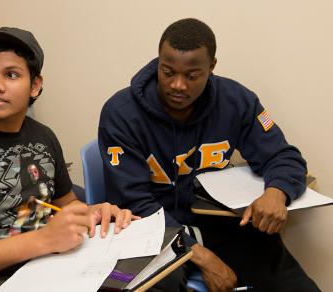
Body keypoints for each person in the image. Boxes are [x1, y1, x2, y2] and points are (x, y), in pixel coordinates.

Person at [99, 18, 319, 291]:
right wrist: (198, 255)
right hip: (153, 231)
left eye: (192, 76)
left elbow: (284, 156)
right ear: (158, 62)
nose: (178, 85)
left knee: (289, 279)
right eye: (168, 72)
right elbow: (133, 202)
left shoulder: (236, 101)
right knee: (158, 285)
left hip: (216, 224)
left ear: (211, 67)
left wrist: (277, 192)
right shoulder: (121, 114)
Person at [0, 27, 136, 278]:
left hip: (55, 267)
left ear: (35, 85)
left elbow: (66, 203)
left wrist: (92, 212)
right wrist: (43, 241)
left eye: (11, 75)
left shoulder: (44, 137)